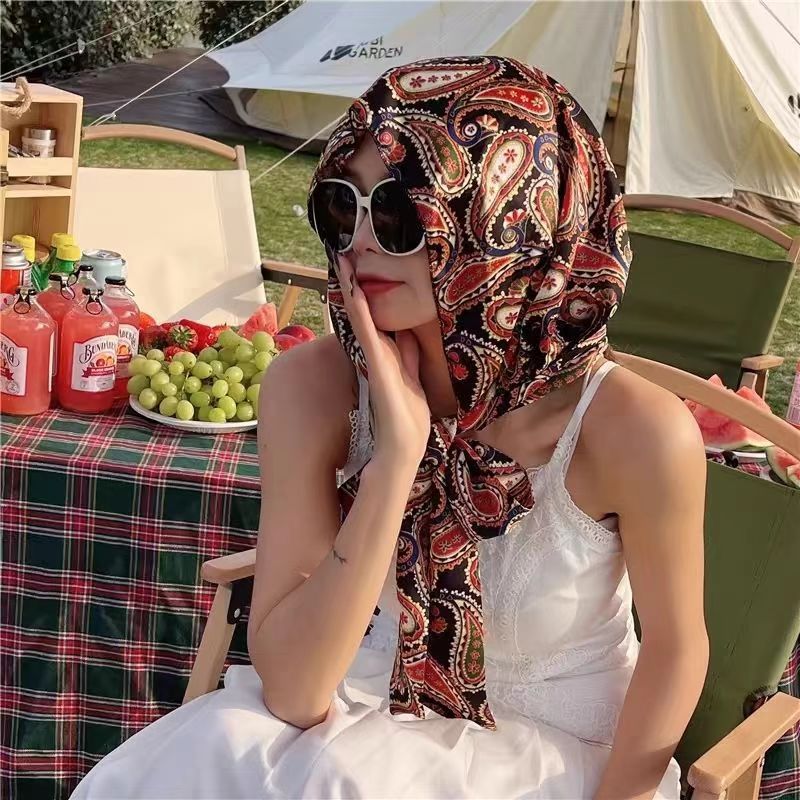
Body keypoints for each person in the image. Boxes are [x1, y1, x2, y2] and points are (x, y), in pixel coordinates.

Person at [72, 56, 708, 800]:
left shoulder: (633, 430)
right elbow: (295, 692)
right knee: (220, 752)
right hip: (359, 710)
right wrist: (396, 461)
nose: (361, 241)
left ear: (511, 225)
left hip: (556, 753)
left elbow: (675, 649)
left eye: (402, 213)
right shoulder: (311, 388)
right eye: (342, 206)